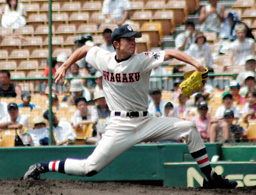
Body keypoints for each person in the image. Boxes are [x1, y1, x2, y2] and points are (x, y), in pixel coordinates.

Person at [24, 24, 237, 189]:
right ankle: (42, 166)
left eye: (135, 38)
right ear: (116, 43)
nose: (133, 42)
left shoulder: (142, 60)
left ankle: (210, 178)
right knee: (90, 168)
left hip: (146, 121)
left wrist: (198, 65)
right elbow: (85, 49)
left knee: (189, 128)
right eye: (129, 39)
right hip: (120, 125)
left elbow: (171, 52)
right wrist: (64, 65)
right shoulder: (104, 58)